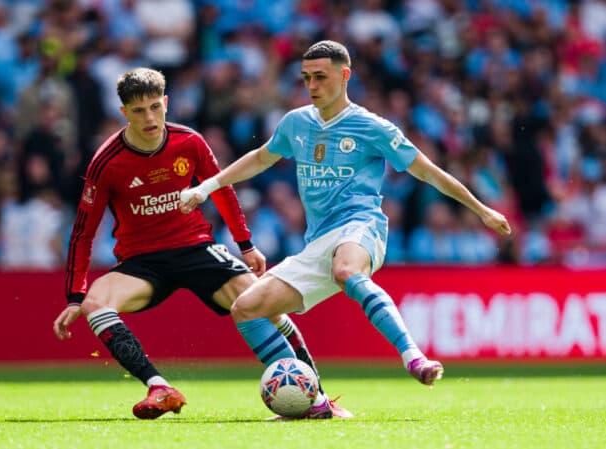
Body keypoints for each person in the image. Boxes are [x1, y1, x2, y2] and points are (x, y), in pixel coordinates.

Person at [180, 40, 512, 416]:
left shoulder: (372, 127)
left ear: (344, 75)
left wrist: (482, 209)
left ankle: (412, 356)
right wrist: (207, 186)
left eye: (320, 77)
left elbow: (428, 171)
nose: (312, 85)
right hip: (316, 243)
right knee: (246, 308)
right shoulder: (296, 123)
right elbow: (260, 158)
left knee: (346, 271)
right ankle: (315, 404)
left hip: (362, 226)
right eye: (306, 78)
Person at [52, 68, 350, 420]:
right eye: (138, 111)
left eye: (154, 107)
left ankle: (318, 399)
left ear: (165, 103)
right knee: (96, 302)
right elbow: (83, 233)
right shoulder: (106, 162)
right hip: (142, 262)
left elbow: (221, 188)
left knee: (267, 306)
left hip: (196, 248)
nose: (149, 118)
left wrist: (246, 244)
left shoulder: (189, 142)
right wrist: (75, 295)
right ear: (124, 113)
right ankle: (159, 387)